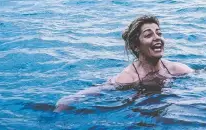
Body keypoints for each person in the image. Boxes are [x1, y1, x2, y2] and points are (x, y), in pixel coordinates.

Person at [55, 15, 192, 112]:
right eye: (148, 35)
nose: (157, 38)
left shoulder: (176, 69)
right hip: (141, 109)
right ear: (136, 45)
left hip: (165, 105)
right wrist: (70, 100)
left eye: (159, 33)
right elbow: (103, 89)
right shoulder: (129, 78)